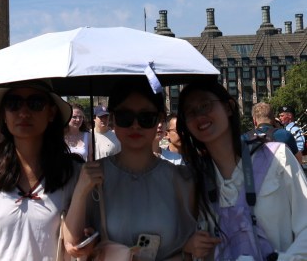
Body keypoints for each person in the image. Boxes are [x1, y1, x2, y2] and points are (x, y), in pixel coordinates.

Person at [64, 77, 203, 260]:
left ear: (159, 120)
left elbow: (191, 242)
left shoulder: (181, 179)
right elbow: (73, 244)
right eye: (125, 117)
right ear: (113, 119)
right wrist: (82, 190)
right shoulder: (94, 176)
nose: (135, 125)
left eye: (146, 117)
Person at [177, 79, 307, 259]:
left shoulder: (278, 157)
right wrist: (188, 246)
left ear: (229, 107)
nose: (199, 116)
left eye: (205, 105)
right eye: (190, 112)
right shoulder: (193, 179)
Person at [0, 81, 81, 260]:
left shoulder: (74, 173)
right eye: (13, 103)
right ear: (3, 113)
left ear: (51, 112)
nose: (24, 113)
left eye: (35, 103)